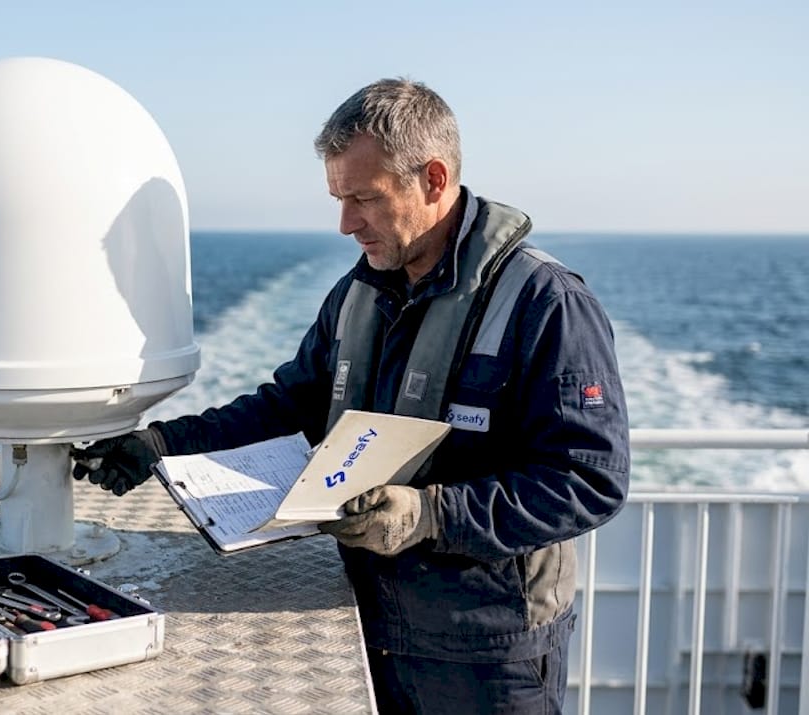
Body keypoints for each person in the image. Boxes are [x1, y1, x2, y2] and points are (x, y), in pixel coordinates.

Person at [73, 77, 630, 714]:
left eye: (364, 197)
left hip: (487, 654)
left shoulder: (545, 303)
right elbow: (291, 405)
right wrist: (163, 443)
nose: (344, 224)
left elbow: (589, 481)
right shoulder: (357, 294)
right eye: (338, 198)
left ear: (433, 179)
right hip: (364, 627)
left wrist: (430, 515)